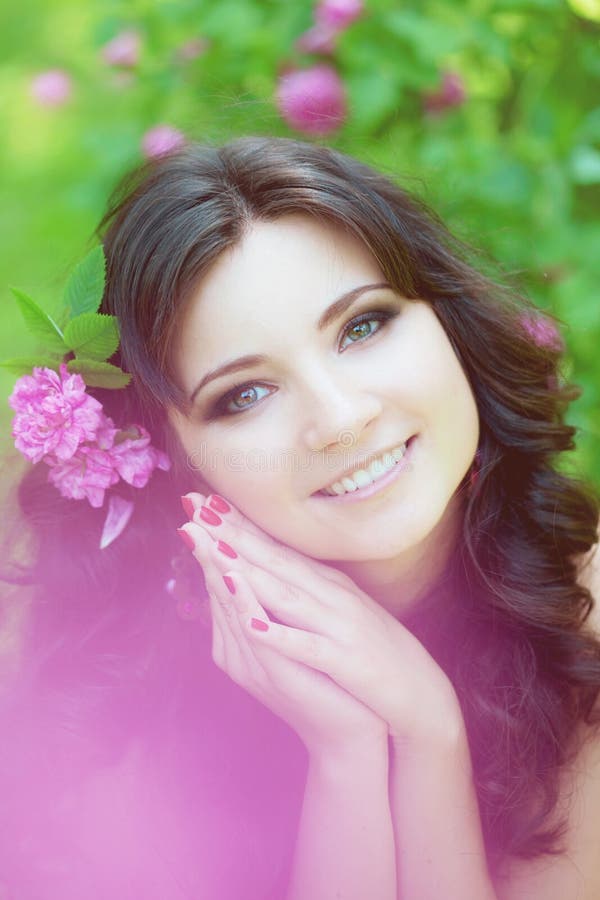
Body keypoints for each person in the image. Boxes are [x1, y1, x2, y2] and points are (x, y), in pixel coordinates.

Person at [0, 135, 599, 900]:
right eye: (244, 395)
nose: (340, 419)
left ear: (446, 322)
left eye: (363, 326)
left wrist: (425, 737)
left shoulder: (588, 627)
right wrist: (349, 754)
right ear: (171, 465)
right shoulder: (122, 714)